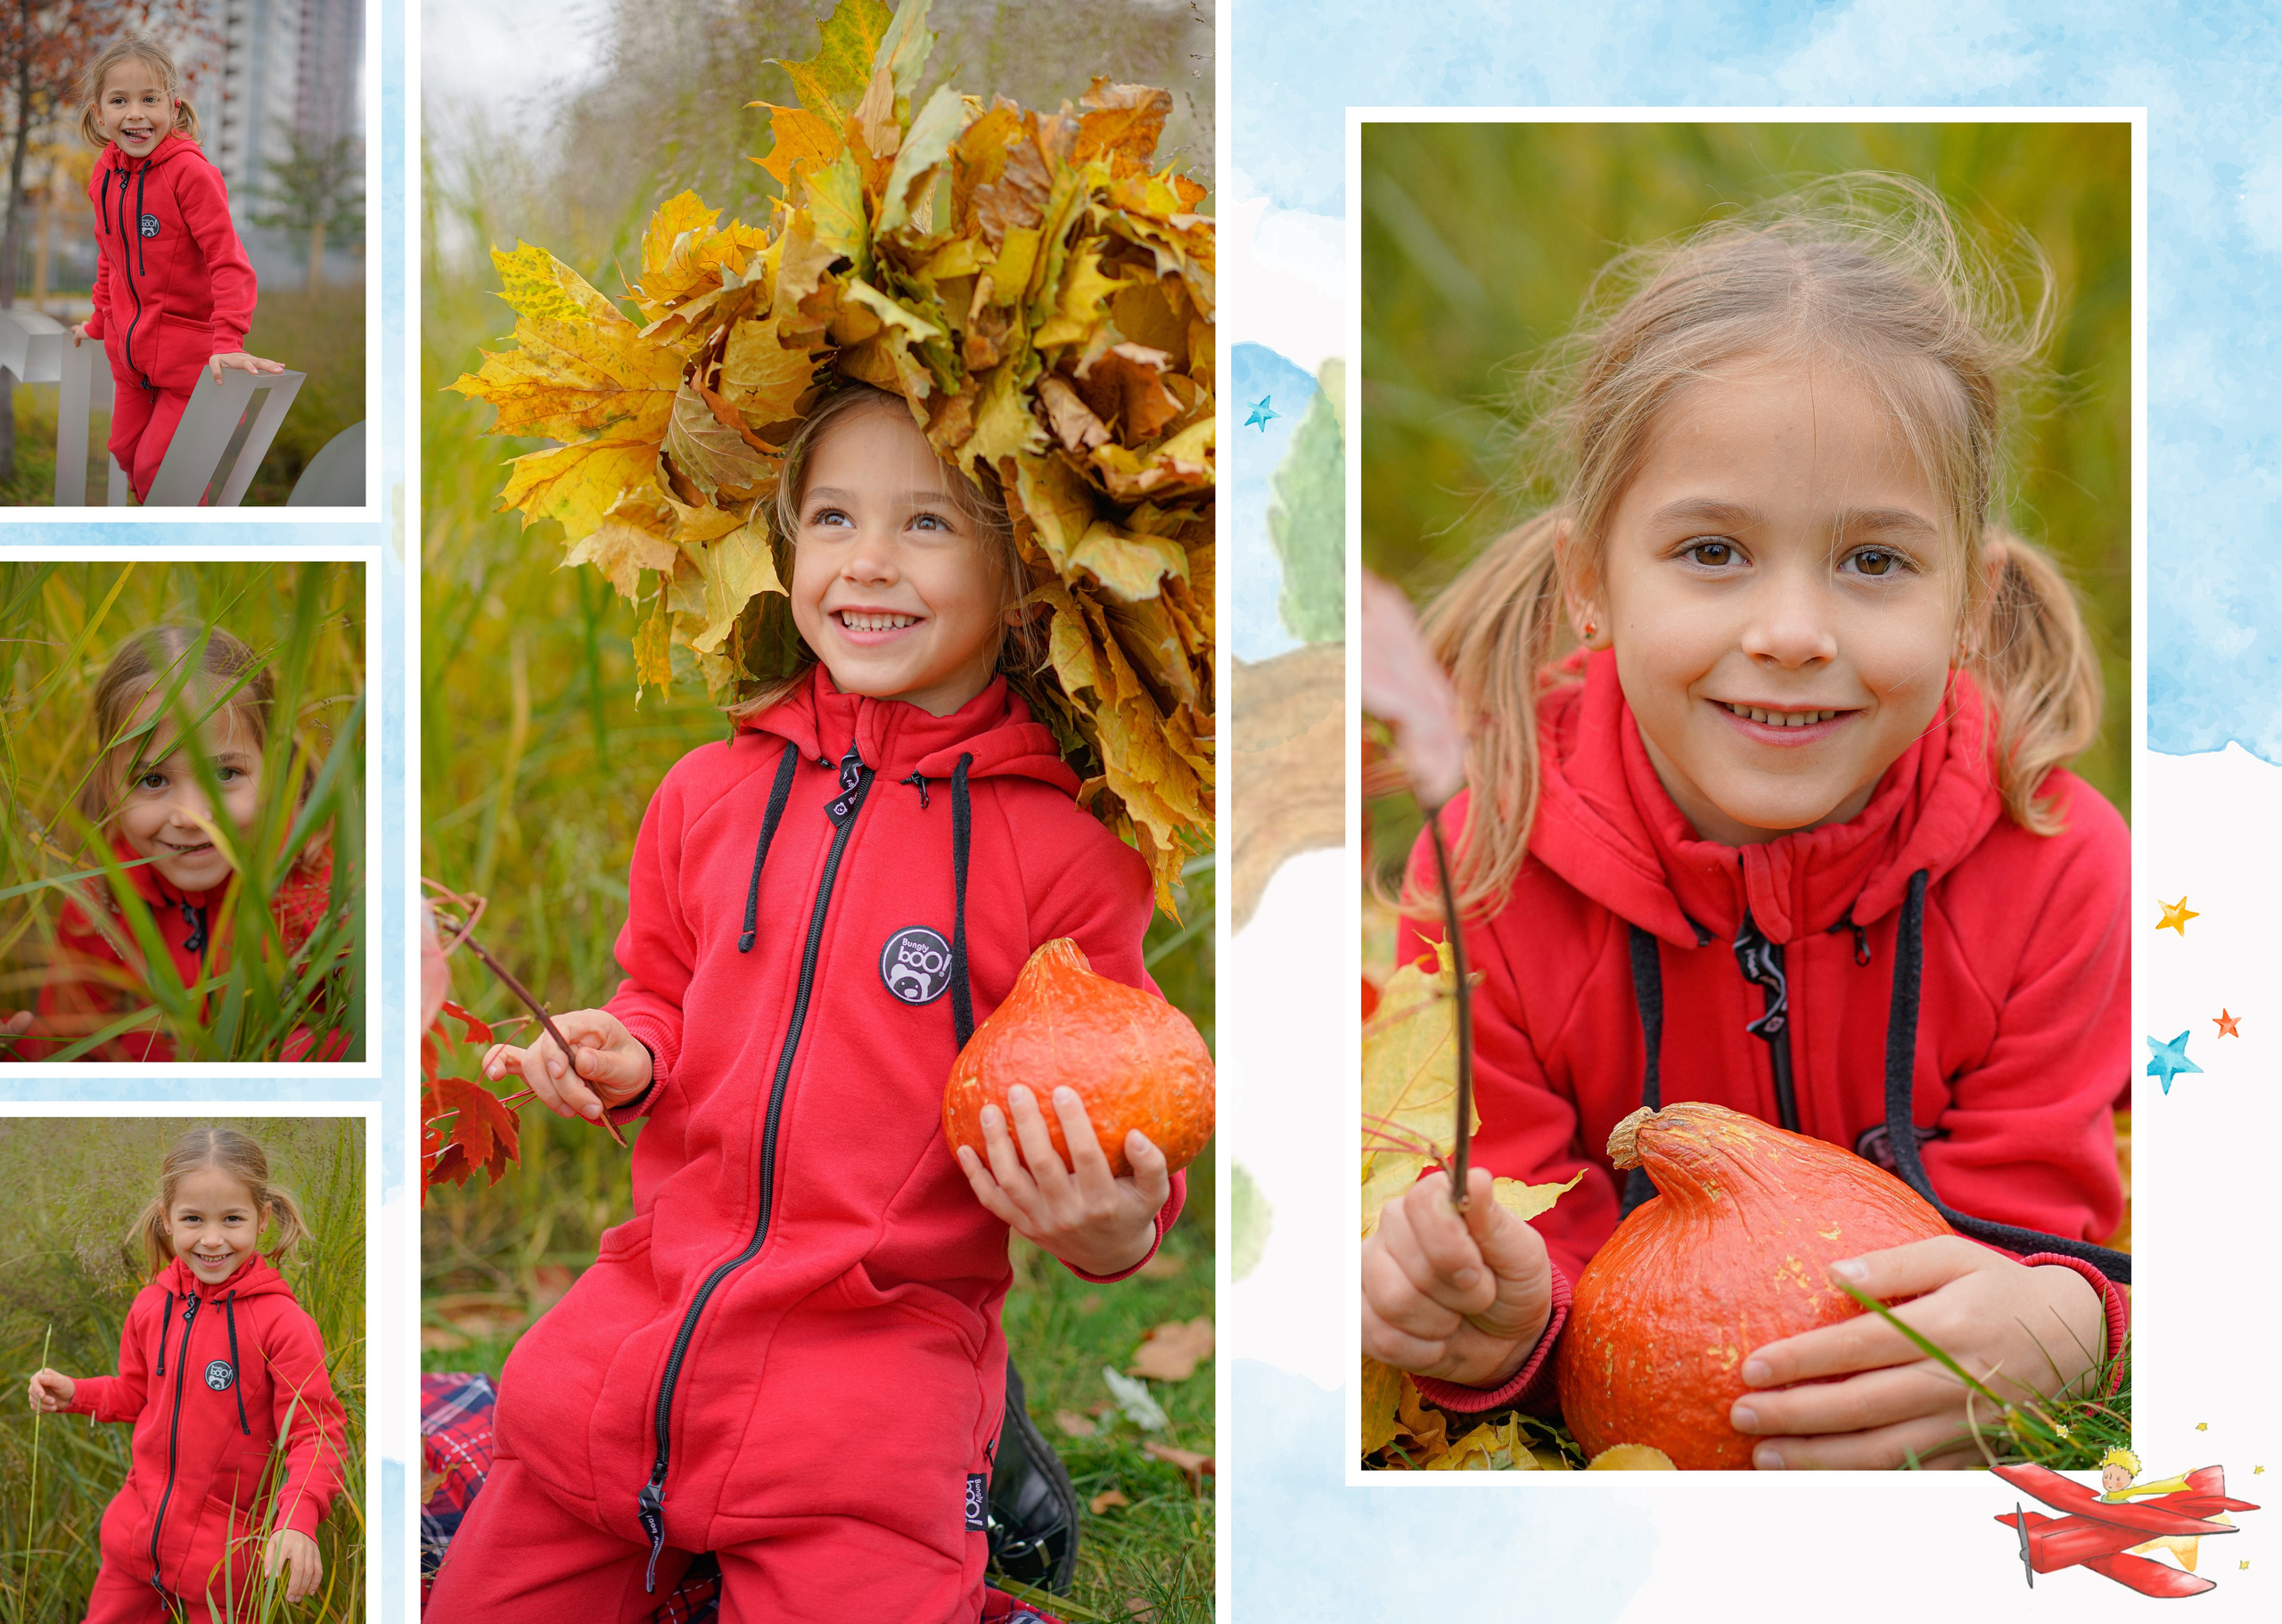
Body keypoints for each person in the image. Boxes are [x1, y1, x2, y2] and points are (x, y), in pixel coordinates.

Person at [1360, 176, 2130, 1471]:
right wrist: (1501, 1325)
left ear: (1970, 605)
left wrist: (2070, 1320)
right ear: (1591, 579)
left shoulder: (2057, 865)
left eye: (1874, 562)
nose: (1789, 632)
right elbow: (1523, 1237)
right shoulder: (1481, 872)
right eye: (1713, 550)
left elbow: (2042, 1229)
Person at [427, 382, 1186, 1619]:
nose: (868, 561)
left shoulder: (1060, 856)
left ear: (1030, 566)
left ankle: (987, 1460)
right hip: (648, 1327)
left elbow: (1124, 1101)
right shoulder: (705, 796)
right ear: (784, 545)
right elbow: (663, 995)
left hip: (873, 1381)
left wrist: (1116, 1227)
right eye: (833, 517)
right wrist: (629, 1049)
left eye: (929, 523)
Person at [26, 1128, 347, 1621]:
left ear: (262, 1219)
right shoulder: (152, 1305)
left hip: (221, 1571)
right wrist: (77, 1394)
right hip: (134, 1546)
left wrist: (298, 1521)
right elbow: (135, 1393)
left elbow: (316, 1432)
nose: (212, 1239)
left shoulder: (283, 1324)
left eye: (232, 1219)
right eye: (193, 1219)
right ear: (166, 1219)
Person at [1, 625, 340, 1062]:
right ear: (107, 783)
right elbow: (73, 1043)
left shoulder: (321, 896)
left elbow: (360, 1035)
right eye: (153, 780)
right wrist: (22, 1054)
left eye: (224, 775)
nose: (190, 817)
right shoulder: (99, 902)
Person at [69, 36, 285, 504]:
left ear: (174, 105)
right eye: (119, 100)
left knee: (158, 468)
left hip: (190, 362)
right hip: (130, 363)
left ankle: (190, 554)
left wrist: (228, 343)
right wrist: (98, 322)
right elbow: (111, 255)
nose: (136, 114)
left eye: (150, 99)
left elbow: (229, 263)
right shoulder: (103, 177)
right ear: (98, 112)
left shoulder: (191, 174)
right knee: (125, 453)